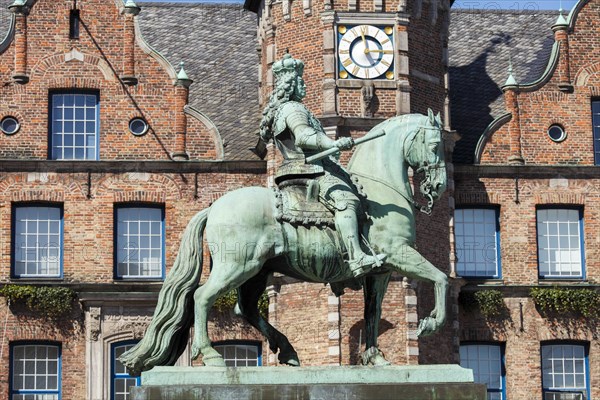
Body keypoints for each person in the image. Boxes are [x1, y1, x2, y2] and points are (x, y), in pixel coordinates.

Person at [259, 54, 386, 278]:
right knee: (347, 201)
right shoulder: (294, 109)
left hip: (293, 169)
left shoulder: (281, 110)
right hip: (309, 169)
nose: (304, 85)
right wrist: (333, 142)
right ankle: (356, 257)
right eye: (301, 81)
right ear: (292, 84)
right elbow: (304, 136)